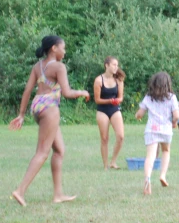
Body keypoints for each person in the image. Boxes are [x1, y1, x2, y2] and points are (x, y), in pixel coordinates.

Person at [8, 35, 90, 207]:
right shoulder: (59, 67)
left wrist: (22, 114)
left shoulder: (37, 66)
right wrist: (82, 92)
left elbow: (28, 90)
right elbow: (67, 93)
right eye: (63, 48)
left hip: (37, 106)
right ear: (54, 48)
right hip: (50, 108)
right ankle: (20, 191)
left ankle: (58, 194)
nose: (65, 51)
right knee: (42, 152)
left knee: (59, 150)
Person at [135, 72, 179, 195]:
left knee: (150, 156)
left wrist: (137, 116)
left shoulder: (149, 97)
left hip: (151, 130)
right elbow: (176, 115)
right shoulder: (172, 97)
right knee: (166, 151)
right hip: (165, 130)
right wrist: (174, 122)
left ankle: (147, 179)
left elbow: (140, 114)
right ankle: (163, 175)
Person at [94, 56, 125, 170]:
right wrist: (109, 100)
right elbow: (97, 100)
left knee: (120, 136)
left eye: (117, 65)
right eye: (114, 65)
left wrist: (116, 101)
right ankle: (105, 165)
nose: (116, 67)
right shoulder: (98, 80)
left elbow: (120, 97)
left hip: (115, 109)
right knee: (104, 138)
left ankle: (113, 161)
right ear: (106, 65)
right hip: (102, 110)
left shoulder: (119, 80)